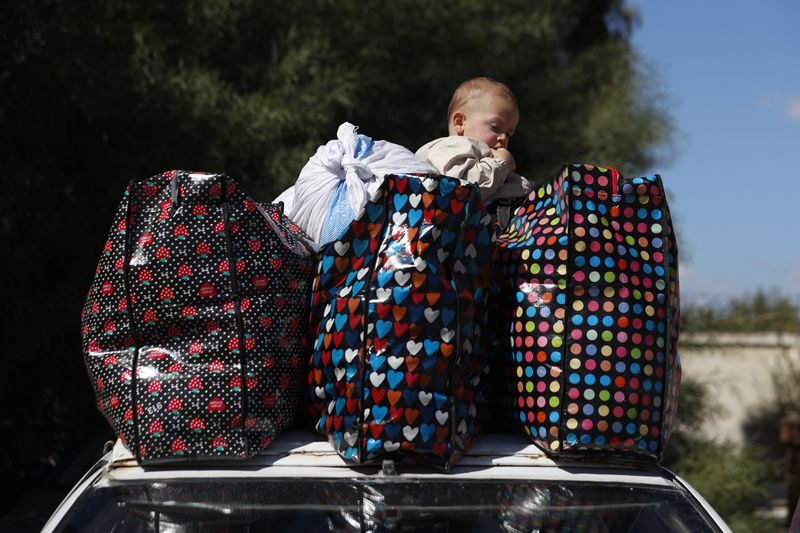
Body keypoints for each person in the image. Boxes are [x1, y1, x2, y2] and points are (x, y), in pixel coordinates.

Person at [416, 77, 531, 202]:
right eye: (495, 127)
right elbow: (463, 189)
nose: (503, 138)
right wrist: (501, 164)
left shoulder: (487, 161)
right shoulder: (447, 148)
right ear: (460, 122)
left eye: (509, 133)